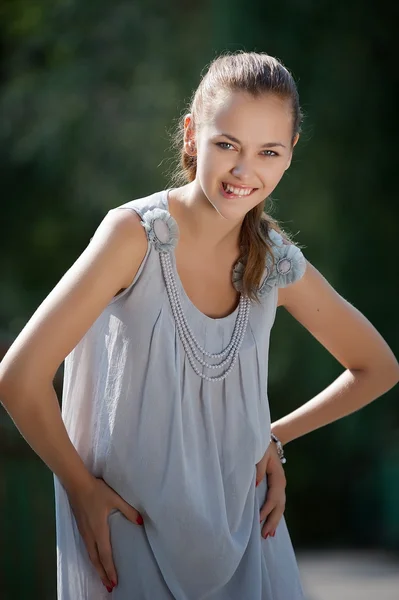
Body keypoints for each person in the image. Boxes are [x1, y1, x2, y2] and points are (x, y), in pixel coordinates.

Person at [0, 51, 398, 600]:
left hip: (248, 534)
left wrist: (274, 438)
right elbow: (18, 378)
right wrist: (81, 489)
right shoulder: (134, 237)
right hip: (128, 531)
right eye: (227, 144)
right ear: (192, 134)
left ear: (289, 157)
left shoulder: (276, 263)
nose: (244, 169)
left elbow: (377, 367)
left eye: (268, 152)